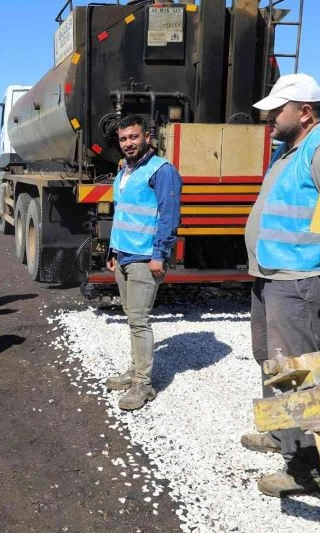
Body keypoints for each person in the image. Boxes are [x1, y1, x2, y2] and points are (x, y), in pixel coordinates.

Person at [240, 73, 320, 497]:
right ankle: (281, 435)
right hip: (271, 276)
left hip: (301, 281)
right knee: (271, 362)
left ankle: (306, 465)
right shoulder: (288, 149)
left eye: (277, 109)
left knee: (298, 374)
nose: (269, 116)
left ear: (304, 112)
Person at [103, 116, 181, 411]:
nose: (128, 144)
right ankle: (135, 370)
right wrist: (112, 250)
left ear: (147, 137)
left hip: (144, 257)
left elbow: (168, 216)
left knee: (139, 319)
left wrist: (159, 254)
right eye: (123, 139)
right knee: (131, 317)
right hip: (123, 254)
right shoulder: (125, 171)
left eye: (133, 137)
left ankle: (143, 384)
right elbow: (122, 213)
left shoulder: (162, 171)